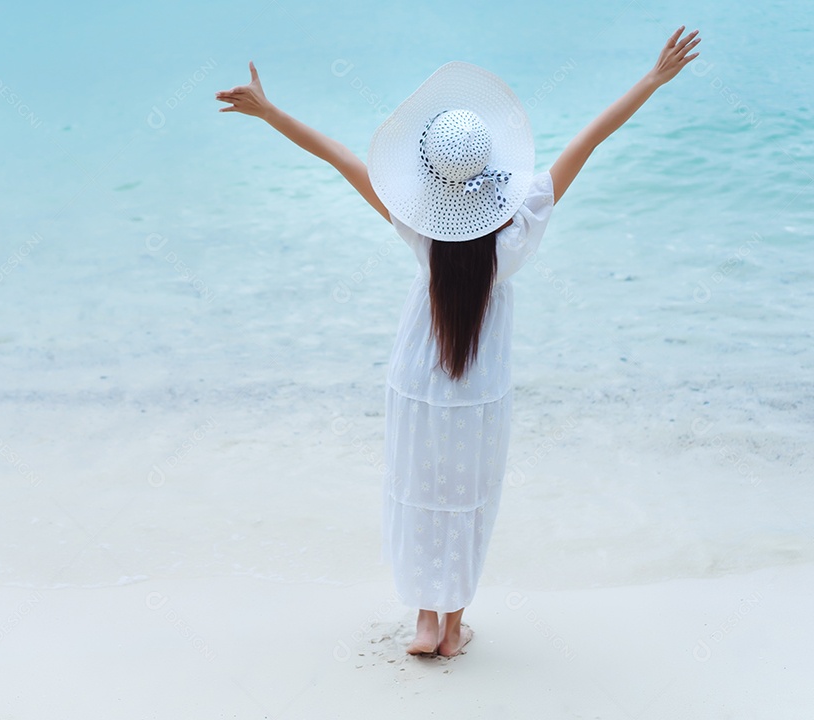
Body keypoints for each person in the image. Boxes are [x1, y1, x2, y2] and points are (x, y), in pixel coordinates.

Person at [215, 26, 701, 658]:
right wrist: (651, 80)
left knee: (420, 492)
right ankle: (451, 628)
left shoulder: (420, 230)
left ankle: (423, 620)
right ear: (493, 169)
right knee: (467, 499)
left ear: (430, 177)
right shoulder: (516, 236)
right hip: (481, 389)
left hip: (417, 381)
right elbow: (591, 138)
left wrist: (269, 110)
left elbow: (338, 158)